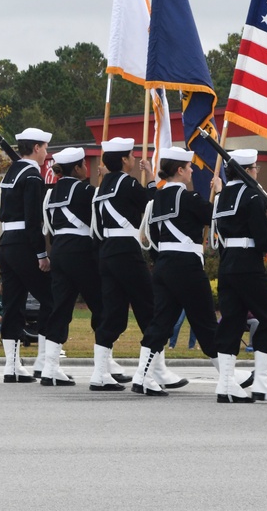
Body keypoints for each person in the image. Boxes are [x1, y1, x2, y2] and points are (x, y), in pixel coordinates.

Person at [132, 147, 252, 396]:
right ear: (179, 170)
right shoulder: (190, 198)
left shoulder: (156, 200)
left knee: (161, 322)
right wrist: (220, 192)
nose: (190, 172)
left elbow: (152, 236)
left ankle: (141, 375)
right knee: (206, 321)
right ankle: (227, 376)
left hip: (164, 264)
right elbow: (216, 216)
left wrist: (163, 258)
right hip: (186, 265)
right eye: (188, 168)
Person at [212, 149, 267, 404]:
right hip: (249, 265)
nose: (257, 171)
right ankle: (261, 381)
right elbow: (263, 240)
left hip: (227, 263)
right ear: (248, 170)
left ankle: (226, 384)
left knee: (232, 321)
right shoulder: (252, 196)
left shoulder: (222, 196)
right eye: (256, 168)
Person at [90, 137, 170, 391]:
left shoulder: (102, 186)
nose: (135, 159)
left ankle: (99, 374)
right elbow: (152, 202)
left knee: (113, 316)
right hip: (126, 250)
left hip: (107, 251)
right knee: (150, 309)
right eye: (132, 155)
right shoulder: (128, 182)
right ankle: (151, 372)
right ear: (124, 160)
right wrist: (154, 179)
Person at [40, 147, 104, 386]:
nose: (86, 169)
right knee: (101, 307)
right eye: (84, 165)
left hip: (59, 252)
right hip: (82, 252)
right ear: (77, 168)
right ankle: (103, 367)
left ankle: (50, 368)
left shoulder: (51, 194)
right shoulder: (87, 190)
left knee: (60, 309)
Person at [0, 127, 53, 384]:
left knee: (13, 305)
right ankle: (45, 361)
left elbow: (0, 209)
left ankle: (12, 367)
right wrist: (41, 253)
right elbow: (34, 220)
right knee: (52, 299)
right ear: (37, 148)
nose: (47, 154)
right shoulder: (31, 175)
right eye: (46, 148)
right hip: (23, 245)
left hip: (6, 242)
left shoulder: (12, 172)